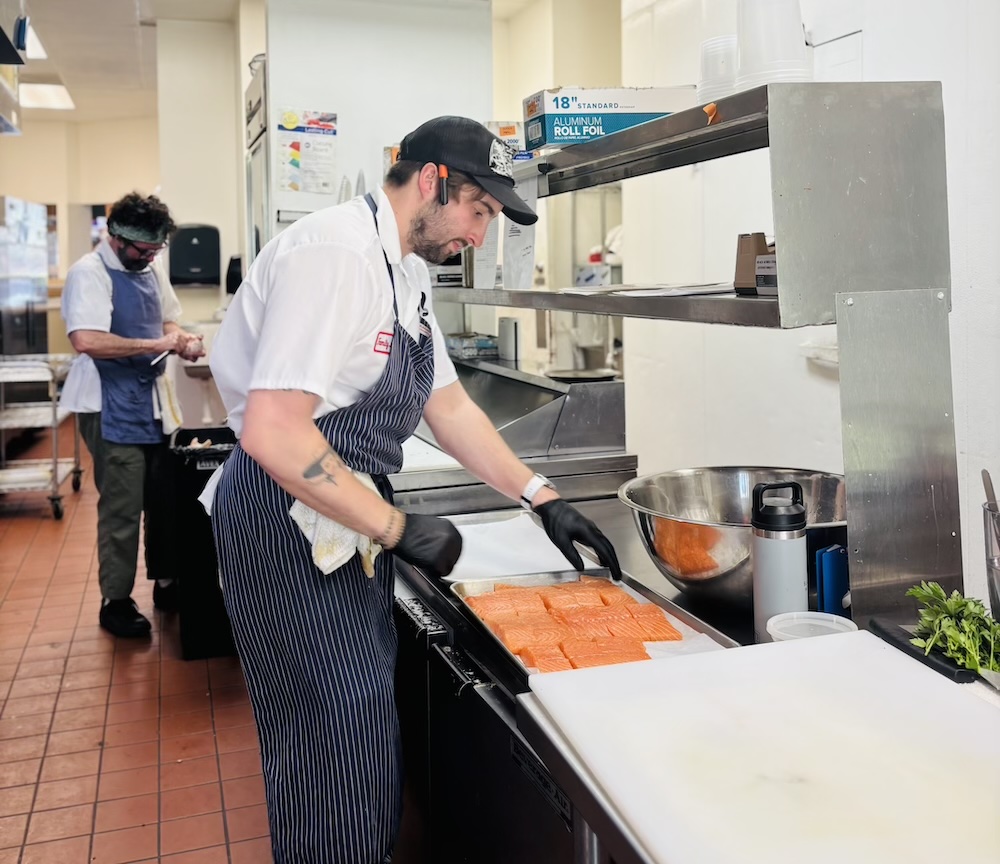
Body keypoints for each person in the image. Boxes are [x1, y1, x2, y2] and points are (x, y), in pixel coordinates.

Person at [206, 115, 622, 864]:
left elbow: (448, 405)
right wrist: (397, 529)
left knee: (359, 724)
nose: (481, 235)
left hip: (338, 518)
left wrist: (542, 495)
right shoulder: (335, 254)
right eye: (480, 211)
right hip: (282, 514)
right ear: (432, 180)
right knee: (326, 737)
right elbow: (274, 431)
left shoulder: (410, 271)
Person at [60, 192, 205, 638]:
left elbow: (167, 321)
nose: (150, 257)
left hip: (152, 402)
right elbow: (86, 339)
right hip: (108, 404)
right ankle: (116, 601)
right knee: (123, 506)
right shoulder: (89, 273)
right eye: (143, 250)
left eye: (156, 249)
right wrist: (155, 345)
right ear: (115, 237)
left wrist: (181, 339)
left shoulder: (150, 267)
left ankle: (165, 581)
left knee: (164, 500)